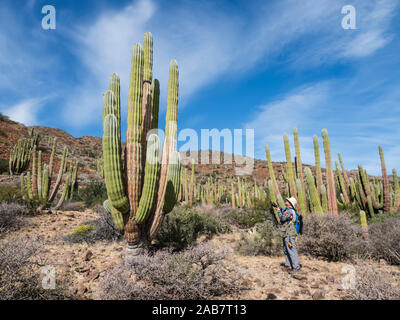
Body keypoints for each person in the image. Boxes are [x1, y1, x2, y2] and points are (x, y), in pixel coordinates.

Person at [274, 197, 301, 273]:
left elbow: (282, 218)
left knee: (291, 250)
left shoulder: (289, 211)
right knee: (287, 250)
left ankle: (295, 267)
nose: (285, 201)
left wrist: (279, 211)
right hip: (287, 232)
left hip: (289, 233)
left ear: (290, 203)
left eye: (287, 201)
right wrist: (279, 208)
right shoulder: (288, 210)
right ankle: (288, 265)